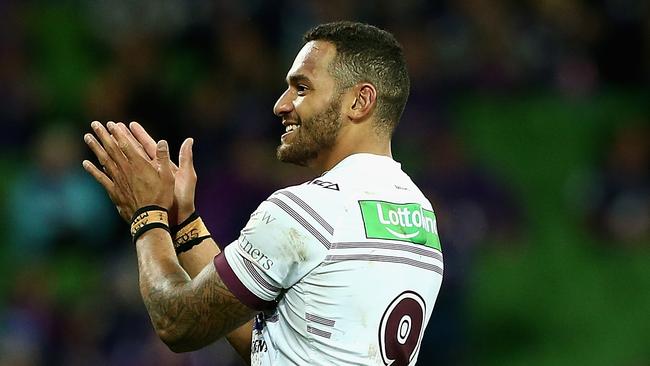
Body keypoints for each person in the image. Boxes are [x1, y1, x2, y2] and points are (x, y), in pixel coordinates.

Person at [82, 21, 443, 366]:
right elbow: (273, 347)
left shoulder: (308, 211)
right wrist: (181, 221)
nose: (281, 105)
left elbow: (177, 322)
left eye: (302, 88)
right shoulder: (420, 217)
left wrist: (147, 216)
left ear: (360, 101)